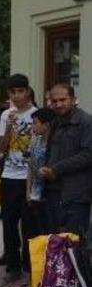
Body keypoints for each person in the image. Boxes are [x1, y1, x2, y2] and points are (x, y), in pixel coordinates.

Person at [0, 74, 37, 287]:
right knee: (8, 225)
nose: (17, 96)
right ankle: (12, 268)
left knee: (29, 227)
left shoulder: (36, 114)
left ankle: (29, 268)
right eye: (12, 92)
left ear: (27, 91)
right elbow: (2, 148)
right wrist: (9, 127)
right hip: (9, 177)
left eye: (20, 91)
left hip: (29, 179)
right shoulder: (5, 115)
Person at [39, 83, 92, 235]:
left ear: (73, 99)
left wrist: (56, 169)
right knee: (54, 242)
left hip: (76, 194)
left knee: (73, 242)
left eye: (63, 100)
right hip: (52, 192)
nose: (58, 104)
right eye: (54, 101)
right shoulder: (54, 123)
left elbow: (88, 154)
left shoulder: (86, 122)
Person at [28, 108, 56, 236]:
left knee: (50, 231)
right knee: (36, 232)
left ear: (46, 125)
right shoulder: (35, 142)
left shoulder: (55, 144)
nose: (32, 126)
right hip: (35, 193)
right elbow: (30, 168)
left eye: (35, 123)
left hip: (50, 192)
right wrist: (28, 191)